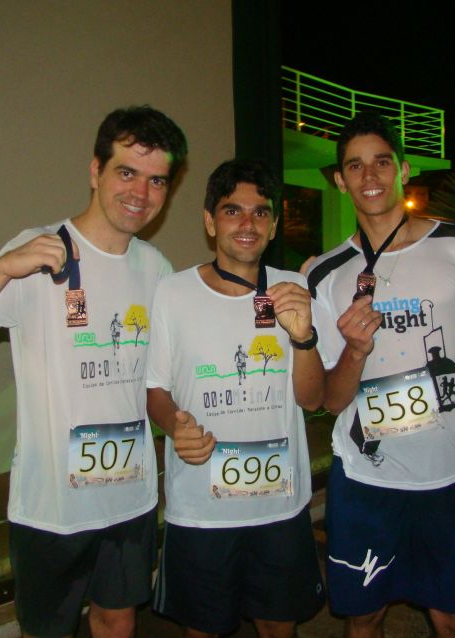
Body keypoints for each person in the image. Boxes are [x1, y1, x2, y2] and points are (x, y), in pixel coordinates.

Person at [0, 106, 187, 638]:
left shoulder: (156, 267)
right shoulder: (38, 249)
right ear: (95, 171)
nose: (141, 192)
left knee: (118, 620)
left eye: (157, 180)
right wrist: (0, 270)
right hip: (52, 508)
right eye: (127, 172)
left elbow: (162, 375)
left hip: (131, 499)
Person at [306, 111, 455, 638]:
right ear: (340, 180)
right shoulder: (325, 275)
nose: (369, 176)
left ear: (404, 169)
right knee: (364, 616)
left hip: (451, 475)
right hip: (367, 479)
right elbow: (331, 399)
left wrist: (448, 402)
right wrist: (354, 352)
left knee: (453, 618)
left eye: (381, 162)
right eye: (355, 166)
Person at [147, 159, 325, 638]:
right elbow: (155, 389)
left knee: (278, 628)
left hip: (279, 508)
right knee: (203, 629)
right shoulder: (172, 293)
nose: (248, 223)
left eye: (260, 212)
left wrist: (304, 338)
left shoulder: (294, 289)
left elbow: (312, 400)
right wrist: (174, 425)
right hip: (201, 509)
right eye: (232, 211)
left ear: (274, 224)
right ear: (210, 221)